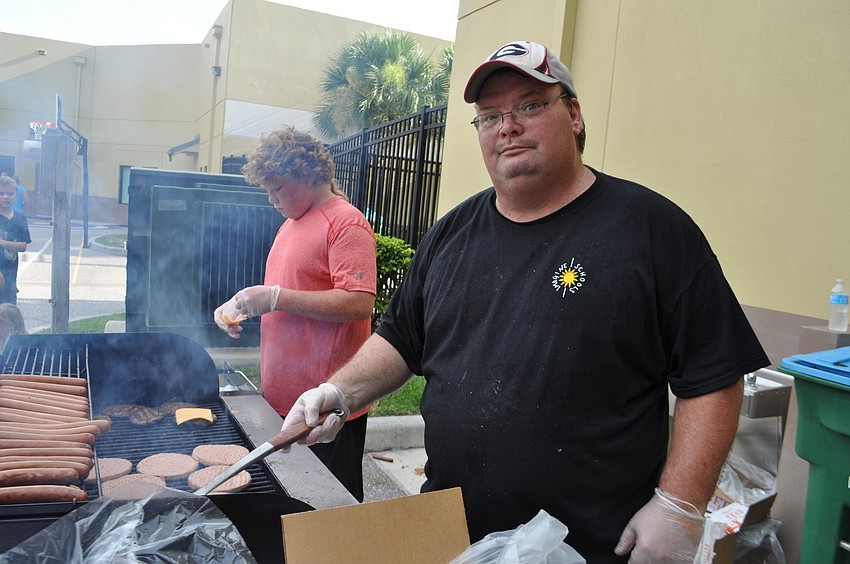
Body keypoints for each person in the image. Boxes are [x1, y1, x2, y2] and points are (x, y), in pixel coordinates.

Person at [279, 41, 770, 563]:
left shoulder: (650, 229)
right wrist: (337, 391)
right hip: (455, 535)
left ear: (574, 115)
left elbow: (713, 375)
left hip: (590, 546)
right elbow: (401, 340)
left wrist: (678, 506)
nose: (507, 125)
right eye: (489, 116)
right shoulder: (451, 234)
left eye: (530, 106)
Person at [213, 125, 377, 502]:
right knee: (294, 506)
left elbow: (359, 302)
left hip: (327, 408)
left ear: (309, 174)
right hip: (283, 402)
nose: (271, 199)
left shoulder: (346, 222)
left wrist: (275, 297)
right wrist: (240, 308)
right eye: (268, 189)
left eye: (278, 188)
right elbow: (291, 294)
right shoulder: (292, 223)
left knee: (330, 512)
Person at [0, 175, 31, 305]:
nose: (5, 197)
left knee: (9, 313)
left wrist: (2, 243)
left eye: (9, 193)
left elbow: (23, 245)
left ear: (16, 195)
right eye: (1, 193)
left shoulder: (20, 219)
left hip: (11, 276)